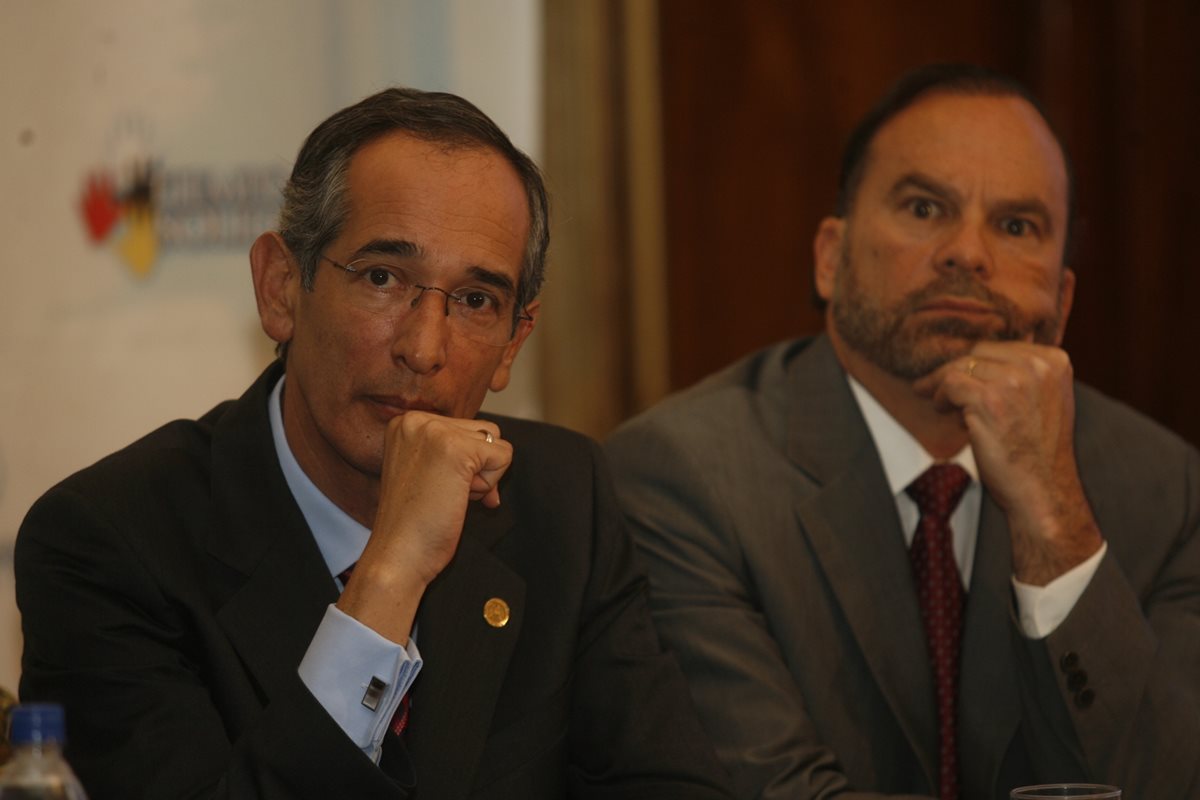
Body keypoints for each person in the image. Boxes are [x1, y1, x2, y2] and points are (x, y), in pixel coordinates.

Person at [16, 87, 733, 800]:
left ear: (515, 342)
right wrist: (389, 576)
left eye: (477, 301)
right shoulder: (109, 542)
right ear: (281, 289)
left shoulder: (562, 497)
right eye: (384, 278)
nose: (424, 348)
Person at [604, 64, 1200, 800]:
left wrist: (1054, 519)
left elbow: (1164, 782)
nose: (968, 253)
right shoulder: (683, 475)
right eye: (924, 208)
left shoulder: (1165, 487)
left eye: (1016, 226)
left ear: (1063, 297)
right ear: (830, 258)